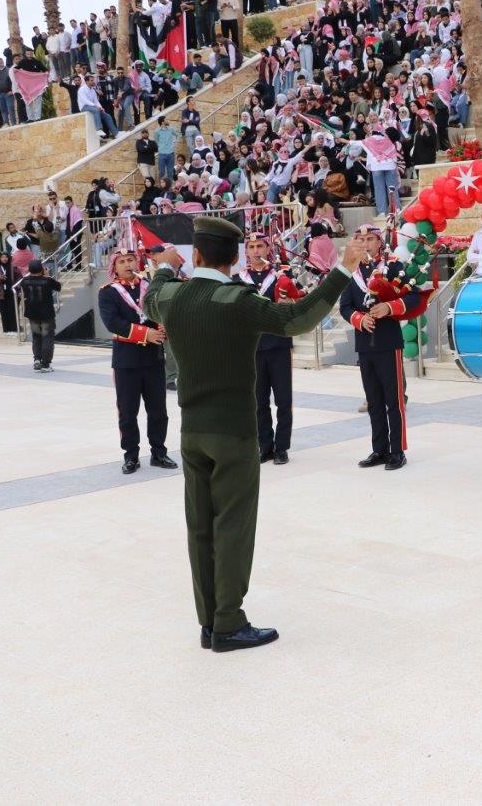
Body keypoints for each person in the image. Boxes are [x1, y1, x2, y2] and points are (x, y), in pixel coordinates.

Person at [143, 217, 360, 652]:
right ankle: (228, 622)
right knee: (233, 527)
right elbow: (297, 318)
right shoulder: (237, 300)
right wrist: (343, 269)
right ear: (236, 258)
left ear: (196, 255)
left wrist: (165, 264)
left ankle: (209, 622)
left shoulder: (172, 296)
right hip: (234, 434)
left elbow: (151, 297)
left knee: (200, 528)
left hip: (192, 431)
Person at [340, 225, 418, 471]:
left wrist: (389, 307)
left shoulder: (393, 267)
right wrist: (359, 319)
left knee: (393, 400)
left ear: (379, 241)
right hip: (364, 344)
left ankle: (397, 450)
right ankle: (379, 449)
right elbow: (345, 306)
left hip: (388, 342)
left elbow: (412, 296)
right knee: (373, 400)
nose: (365, 243)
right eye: (360, 239)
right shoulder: (352, 271)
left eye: (370, 239)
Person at [98, 246, 176, 474]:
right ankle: (131, 455)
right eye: (122, 261)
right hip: (126, 360)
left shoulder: (149, 286)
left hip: (153, 358)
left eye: (131, 260)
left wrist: (162, 326)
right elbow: (113, 323)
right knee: (128, 411)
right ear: (115, 267)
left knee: (158, 410)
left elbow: (159, 312)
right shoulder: (108, 292)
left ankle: (159, 452)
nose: (128, 264)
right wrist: (145, 334)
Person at [235, 234, 304, 465]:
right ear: (247, 251)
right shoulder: (238, 278)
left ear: (267, 249)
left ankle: (282, 447)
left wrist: (289, 304)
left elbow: (298, 300)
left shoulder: (281, 274)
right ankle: (265, 446)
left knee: (283, 399)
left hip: (279, 343)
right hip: (251, 346)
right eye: (252, 247)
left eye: (260, 246)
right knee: (259, 400)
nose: (256, 251)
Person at [18, 260, 62, 371]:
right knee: (47, 337)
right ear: (41, 269)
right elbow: (58, 287)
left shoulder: (24, 281)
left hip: (32, 313)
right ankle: (45, 364)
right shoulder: (47, 281)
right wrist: (47, 276)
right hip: (46, 313)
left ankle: (37, 359)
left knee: (36, 336)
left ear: (29, 270)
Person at [0, 252, 20, 335]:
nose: (4, 259)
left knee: (12, 312)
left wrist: (16, 287)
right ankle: (6, 330)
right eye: (2, 257)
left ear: (8, 258)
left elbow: (20, 278)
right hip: (1, 293)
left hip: (12, 292)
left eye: (6, 257)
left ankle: (14, 330)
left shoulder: (14, 267)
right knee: (3, 312)